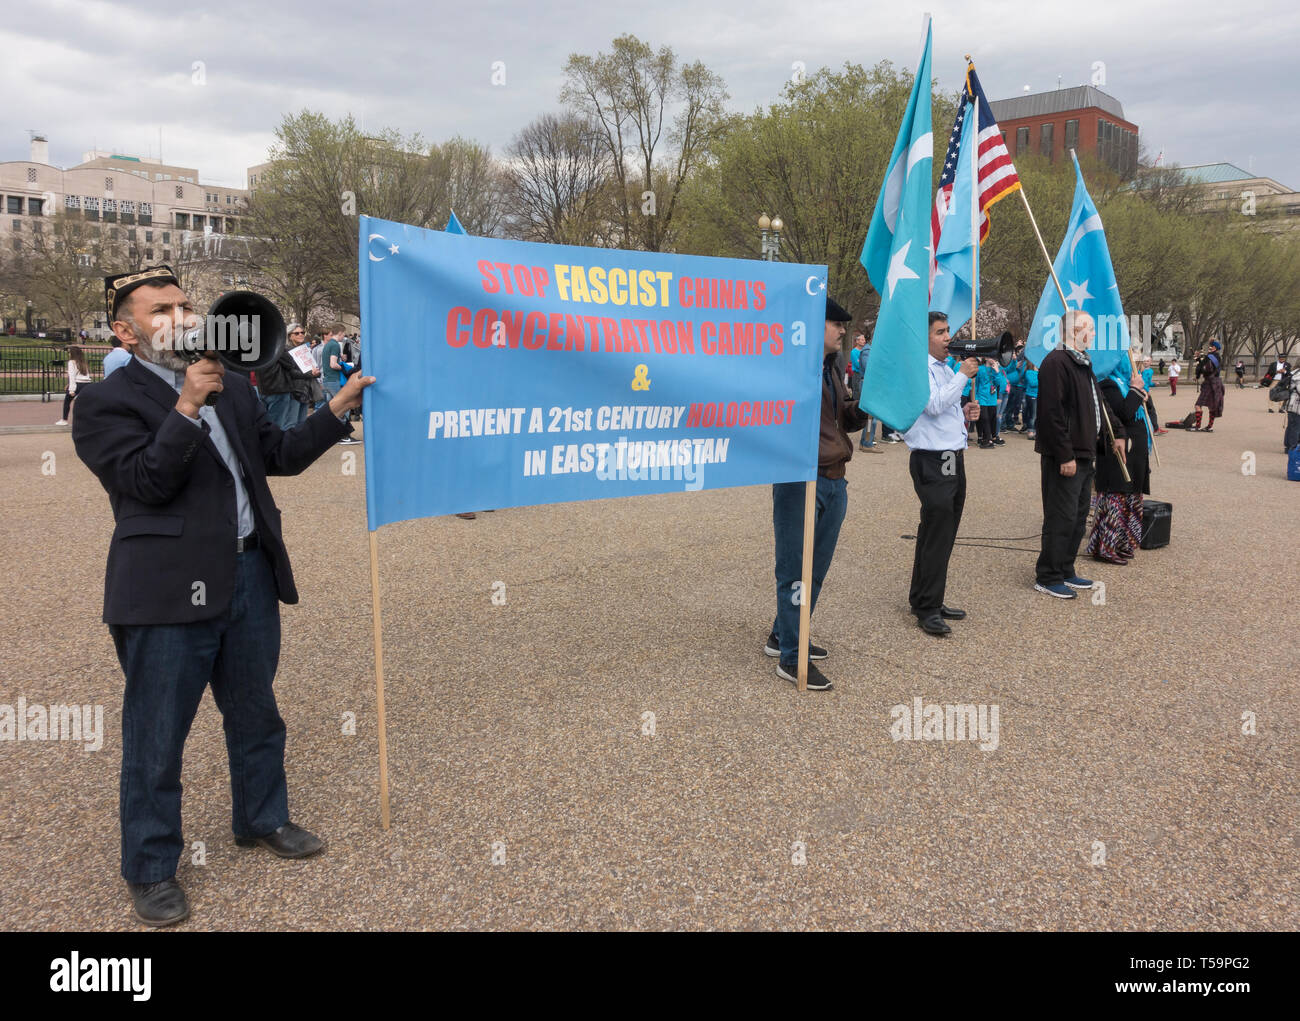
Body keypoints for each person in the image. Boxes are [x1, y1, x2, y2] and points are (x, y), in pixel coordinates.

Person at [72, 265, 375, 927]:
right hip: (165, 592)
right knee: (157, 734)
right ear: (125, 330)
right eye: (161, 310)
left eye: (185, 305)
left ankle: (262, 817)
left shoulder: (236, 386)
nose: (181, 316)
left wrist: (338, 405)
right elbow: (146, 482)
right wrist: (185, 405)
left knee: (256, 712)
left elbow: (282, 454)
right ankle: (151, 868)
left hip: (248, 575)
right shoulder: (104, 403)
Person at [764, 296, 868, 691]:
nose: (843, 330)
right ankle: (792, 658)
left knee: (816, 571)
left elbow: (844, 419)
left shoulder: (832, 368)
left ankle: (783, 634)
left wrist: (866, 405)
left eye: (844, 325)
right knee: (795, 571)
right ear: (812, 326)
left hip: (835, 478)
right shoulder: (795, 368)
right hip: (800, 480)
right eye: (835, 324)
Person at [1033, 310, 1125, 599]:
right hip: (1067, 454)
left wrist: (1118, 432)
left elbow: (1101, 405)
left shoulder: (1082, 363)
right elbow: (1051, 414)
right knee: (1060, 515)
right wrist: (1064, 455)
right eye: (1091, 328)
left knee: (1077, 514)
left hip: (1086, 452)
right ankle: (1048, 575)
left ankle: (1065, 568)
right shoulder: (1056, 362)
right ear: (1075, 330)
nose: (1095, 334)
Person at [902, 312, 981, 636]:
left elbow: (944, 409)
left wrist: (964, 412)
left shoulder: (944, 367)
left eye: (948, 330)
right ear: (925, 338)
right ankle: (928, 607)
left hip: (950, 453)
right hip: (933, 459)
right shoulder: (919, 367)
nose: (948, 336)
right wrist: (962, 375)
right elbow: (932, 405)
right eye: (940, 332)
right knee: (938, 530)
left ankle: (926, 596)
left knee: (941, 530)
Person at [1086, 354, 1150, 565]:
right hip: (1117, 453)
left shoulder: (1125, 383)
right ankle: (1106, 546)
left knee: (1130, 499)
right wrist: (1135, 391)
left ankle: (1123, 543)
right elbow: (1122, 413)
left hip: (1134, 454)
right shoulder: (1108, 383)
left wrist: (1139, 392)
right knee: (1116, 500)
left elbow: (1139, 409)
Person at [258, 325, 317, 430]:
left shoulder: (262, 347)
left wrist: (314, 373)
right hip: (284, 389)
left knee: (298, 423)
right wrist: (309, 373)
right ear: (289, 336)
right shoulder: (281, 348)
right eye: (297, 333)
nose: (301, 335)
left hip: (297, 389)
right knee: (284, 424)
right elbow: (290, 367)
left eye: (302, 332)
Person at [56, 345, 93, 425]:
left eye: (69, 353)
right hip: (87, 384)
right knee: (85, 403)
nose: (69, 354)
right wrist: (69, 384)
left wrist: (71, 389)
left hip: (77, 384)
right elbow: (85, 375)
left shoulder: (71, 362)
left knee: (67, 402)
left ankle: (64, 420)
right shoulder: (83, 362)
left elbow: (72, 376)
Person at [1194, 340, 1225, 431]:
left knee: (1198, 405)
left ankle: (1197, 426)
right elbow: (1202, 366)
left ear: (1214, 348)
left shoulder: (1210, 357)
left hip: (1209, 383)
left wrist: (1198, 373)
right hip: (1216, 383)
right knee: (1211, 406)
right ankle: (1209, 427)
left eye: (1210, 347)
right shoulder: (1217, 357)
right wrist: (1198, 359)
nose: (1209, 348)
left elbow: (1205, 369)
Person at [973, 358, 1000, 448]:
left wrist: (997, 371)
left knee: (992, 418)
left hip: (992, 398)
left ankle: (987, 438)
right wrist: (976, 397)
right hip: (982, 397)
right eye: (991, 357)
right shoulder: (980, 369)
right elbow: (976, 384)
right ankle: (987, 439)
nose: (993, 359)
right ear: (986, 358)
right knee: (984, 418)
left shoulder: (996, 369)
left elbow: (999, 383)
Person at [1023, 362, 1039, 439]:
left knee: (1037, 415)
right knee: (1033, 415)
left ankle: (1035, 431)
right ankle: (1031, 432)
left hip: (1039, 396)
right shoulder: (1029, 372)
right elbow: (1033, 383)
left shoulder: (1040, 372)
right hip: (1032, 396)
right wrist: (1040, 375)